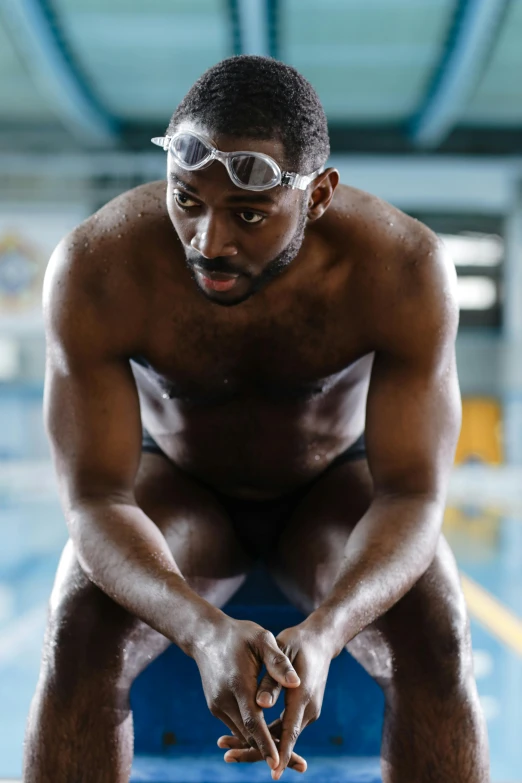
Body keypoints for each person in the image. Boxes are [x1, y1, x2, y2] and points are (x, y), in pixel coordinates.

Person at [25, 56, 489, 782]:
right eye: (187, 200)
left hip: (331, 491)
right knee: (81, 623)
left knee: (434, 630)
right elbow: (96, 499)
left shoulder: (401, 269)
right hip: (181, 487)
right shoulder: (101, 266)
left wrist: (331, 630)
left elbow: (412, 494)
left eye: (248, 214)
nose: (209, 241)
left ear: (320, 196)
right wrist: (201, 629)